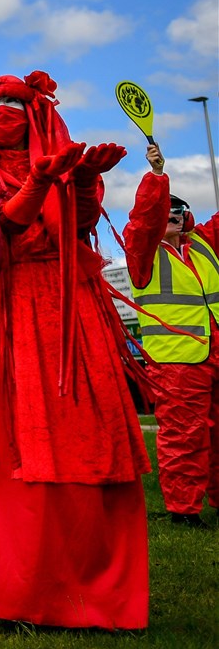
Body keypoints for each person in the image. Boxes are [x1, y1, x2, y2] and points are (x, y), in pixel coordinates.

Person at [0, 69, 147, 628]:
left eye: (14, 101)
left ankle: (95, 589)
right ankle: (19, 591)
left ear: (37, 110)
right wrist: (36, 185)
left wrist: (80, 184)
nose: (3, 111)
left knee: (85, 430)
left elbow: (76, 227)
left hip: (69, 310)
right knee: (14, 443)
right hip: (5, 315)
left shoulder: (67, 162)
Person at [125, 141, 217, 529]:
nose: (174, 214)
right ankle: (184, 510)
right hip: (178, 362)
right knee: (185, 435)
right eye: (167, 209)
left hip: (213, 355)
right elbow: (144, 219)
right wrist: (157, 177)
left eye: (179, 209)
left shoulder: (204, 247)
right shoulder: (143, 253)